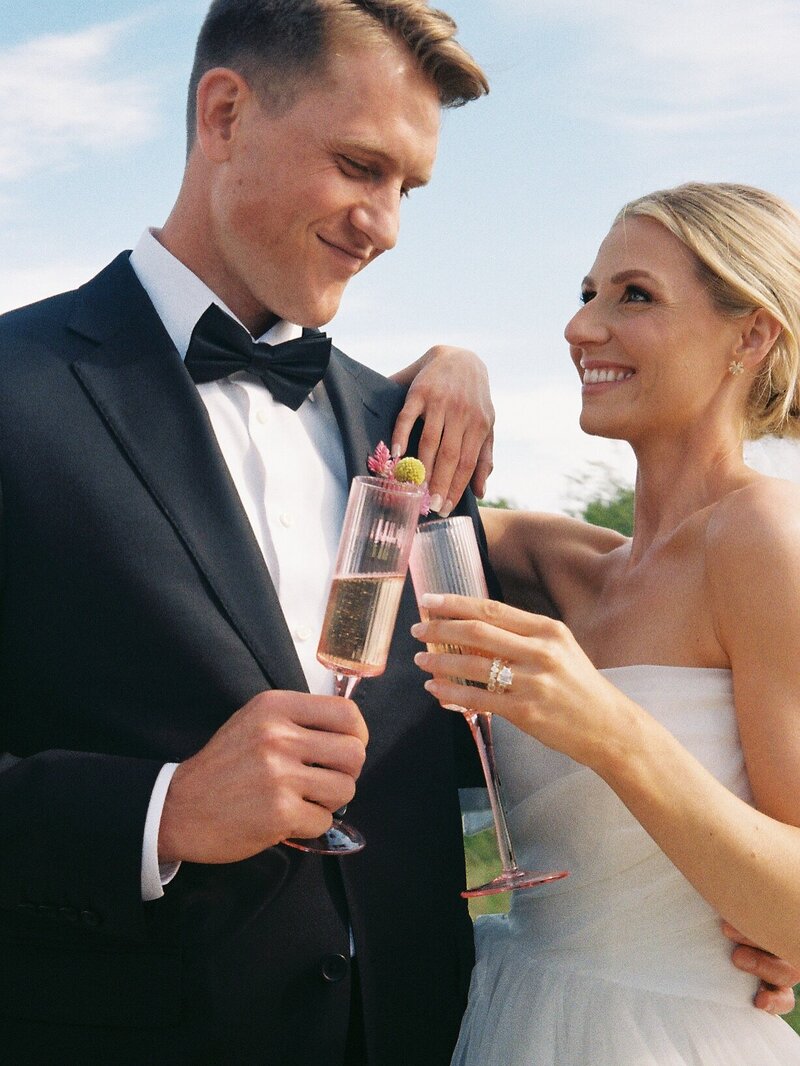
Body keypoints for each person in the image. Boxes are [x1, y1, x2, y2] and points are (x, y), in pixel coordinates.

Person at [0, 3, 496, 1063]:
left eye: (406, 188)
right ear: (223, 114)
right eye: (359, 166)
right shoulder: (13, 391)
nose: (385, 225)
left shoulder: (411, 433)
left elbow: (474, 742)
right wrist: (162, 811)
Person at [413, 182, 800, 1064]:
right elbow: (389, 499)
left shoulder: (764, 535)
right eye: (587, 294)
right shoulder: (560, 562)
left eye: (634, 296)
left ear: (750, 336)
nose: (581, 327)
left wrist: (610, 731)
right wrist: (454, 363)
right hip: (512, 1013)